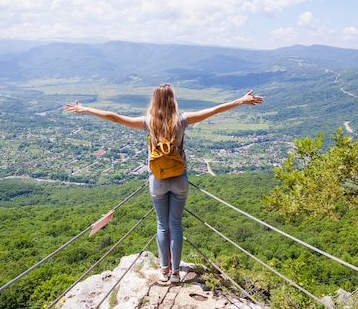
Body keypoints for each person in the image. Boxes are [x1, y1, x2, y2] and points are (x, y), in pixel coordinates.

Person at [64, 84, 263, 283]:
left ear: (155, 101)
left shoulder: (148, 123)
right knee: (175, 225)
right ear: (172, 100)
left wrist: (87, 109)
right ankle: (176, 273)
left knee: (162, 225)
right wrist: (240, 101)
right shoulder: (182, 120)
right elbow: (214, 110)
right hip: (179, 179)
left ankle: (164, 270)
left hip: (157, 180)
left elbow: (114, 117)